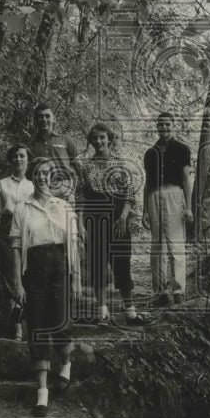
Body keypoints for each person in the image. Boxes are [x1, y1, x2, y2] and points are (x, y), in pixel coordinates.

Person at [10, 156, 80, 417]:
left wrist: (77, 278)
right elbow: (16, 249)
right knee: (37, 328)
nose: (42, 177)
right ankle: (42, 393)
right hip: (35, 270)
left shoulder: (63, 206)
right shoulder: (22, 208)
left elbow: (73, 246)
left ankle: (65, 363)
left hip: (60, 267)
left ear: (54, 178)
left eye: (47, 173)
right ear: (33, 176)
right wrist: (18, 282)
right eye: (38, 173)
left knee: (61, 325)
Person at [77, 121, 146, 326]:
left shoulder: (120, 164)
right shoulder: (86, 167)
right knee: (98, 265)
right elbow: (80, 197)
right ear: (91, 141)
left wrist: (124, 217)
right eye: (95, 138)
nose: (99, 141)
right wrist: (80, 224)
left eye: (102, 138)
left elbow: (129, 194)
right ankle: (103, 314)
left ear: (109, 139)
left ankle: (131, 313)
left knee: (122, 263)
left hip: (117, 219)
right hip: (94, 219)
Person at [142, 112, 193, 306]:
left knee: (176, 245)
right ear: (157, 126)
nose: (163, 128)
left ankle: (178, 290)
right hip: (154, 196)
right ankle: (160, 292)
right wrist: (145, 210)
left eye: (167, 124)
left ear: (173, 125)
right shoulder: (150, 153)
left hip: (174, 195)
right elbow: (147, 183)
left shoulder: (181, 149)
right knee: (157, 246)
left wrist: (188, 207)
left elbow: (187, 180)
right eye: (160, 125)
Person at [0, 143, 34, 340]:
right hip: (6, 234)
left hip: (28, 233)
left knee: (26, 277)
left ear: (28, 160)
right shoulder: (2, 184)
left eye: (22, 156)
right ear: (10, 160)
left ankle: (28, 321)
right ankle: (16, 327)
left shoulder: (33, 185)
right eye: (15, 156)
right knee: (11, 278)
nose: (18, 159)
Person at [27, 101, 80, 204]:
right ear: (35, 120)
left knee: (65, 219)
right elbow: (28, 174)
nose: (44, 120)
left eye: (47, 116)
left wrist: (72, 191)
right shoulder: (30, 146)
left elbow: (79, 168)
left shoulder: (66, 140)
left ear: (53, 119)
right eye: (40, 116)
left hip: (64, 190)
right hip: (41, 191)